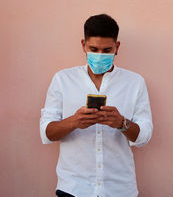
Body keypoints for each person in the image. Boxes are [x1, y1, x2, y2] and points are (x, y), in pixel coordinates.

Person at [40, 14, 153, 197]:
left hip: (119, 189)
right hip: (73, 188)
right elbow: (47, 132)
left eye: (107, 50)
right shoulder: (62, 79)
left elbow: (144, 137)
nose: (100, 56)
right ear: (83, 45)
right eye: (94, 49)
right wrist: (74, 122)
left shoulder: (135, 82)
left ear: (117, 47)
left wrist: (122, 123)